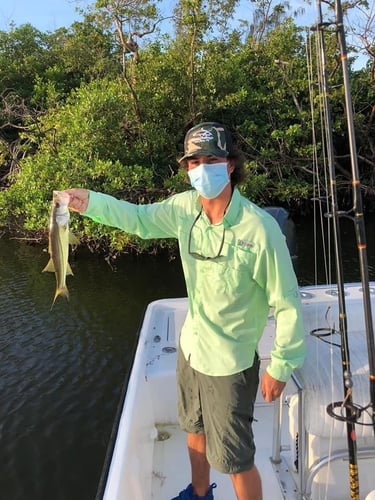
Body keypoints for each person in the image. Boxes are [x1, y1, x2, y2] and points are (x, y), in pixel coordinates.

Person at [65, 122, 306, 500]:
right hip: (192, 349)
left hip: (230, 363)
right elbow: (139, 219)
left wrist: (281, 363)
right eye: (194, 161)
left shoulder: (260, 229)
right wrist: (90, 202)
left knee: (235, 459)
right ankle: (198, 492)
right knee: (192, 428)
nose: (201, 168)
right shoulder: (182, 209)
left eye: (211, 159)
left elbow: (287, 301)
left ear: (230, 165)